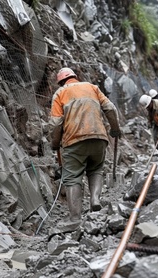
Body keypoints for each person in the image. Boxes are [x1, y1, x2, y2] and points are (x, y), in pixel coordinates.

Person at [50, 67, 121, 227]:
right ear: (75, 77)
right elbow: (110, 108)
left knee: (72, 177)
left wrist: (55, 143)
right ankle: (95, 199)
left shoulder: (60, 93)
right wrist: (115, 129)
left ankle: (75, 218)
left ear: (61, 82)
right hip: (99, 138)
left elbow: (56, 123)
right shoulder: (92, 87)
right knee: (96, 169)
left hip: (74, 140)